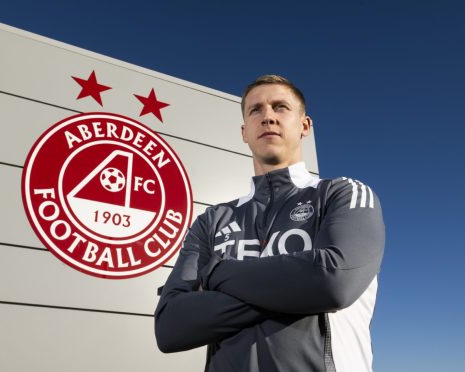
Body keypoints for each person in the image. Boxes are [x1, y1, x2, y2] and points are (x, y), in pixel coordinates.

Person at [154, 75, 385, 372]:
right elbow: (171, 327)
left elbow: (333, 282)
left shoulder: (344, 193)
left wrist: (216, 274)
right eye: (256, 110)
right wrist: (297, 290)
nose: (268, 117)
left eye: (280, 107)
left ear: (305, 126)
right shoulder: (211, 221)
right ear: (244, 133)